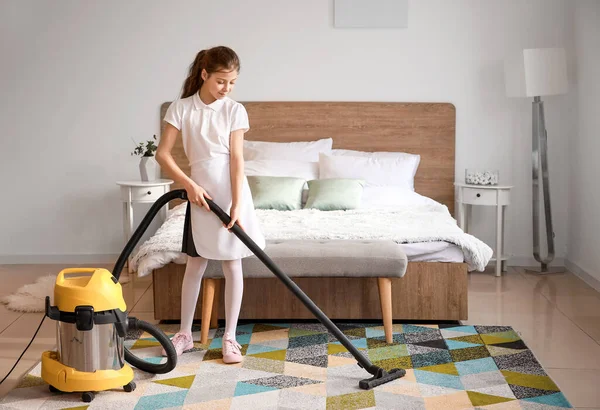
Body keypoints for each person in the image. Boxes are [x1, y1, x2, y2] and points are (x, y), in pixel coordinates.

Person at [156, 46, 266, 364]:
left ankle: (230, 338)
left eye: (232, 83)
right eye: (221, 81)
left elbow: (236, 160)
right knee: (195, 263)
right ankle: (184, 335)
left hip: (230, 196)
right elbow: (163, 154)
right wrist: (189, 185)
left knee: (232, 264)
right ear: (205, 75)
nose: (226, 89)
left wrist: (236, 204)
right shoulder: (180, 109)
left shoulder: (235, 110)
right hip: (198, 196)